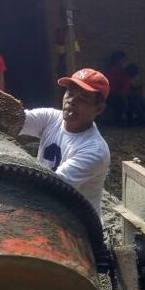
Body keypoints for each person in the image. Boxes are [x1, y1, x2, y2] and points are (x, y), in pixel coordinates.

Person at [20, 68, 111, 215]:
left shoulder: (94, 151)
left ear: (99, 108)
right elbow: (13, 119)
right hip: (48, 208)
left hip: (78, 224)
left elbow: (52, 185)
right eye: (70, 93)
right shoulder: (50, 118)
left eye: (83, 98)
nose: (72, 100)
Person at [104, 51, 132, 125]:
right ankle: (119, 120)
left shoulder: (123, 71)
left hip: (118, 93)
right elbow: (112, 85)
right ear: (117, 60)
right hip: (111, 94)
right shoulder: (113, 70)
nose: (124, 61)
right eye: (123, 60)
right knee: (121, 100)